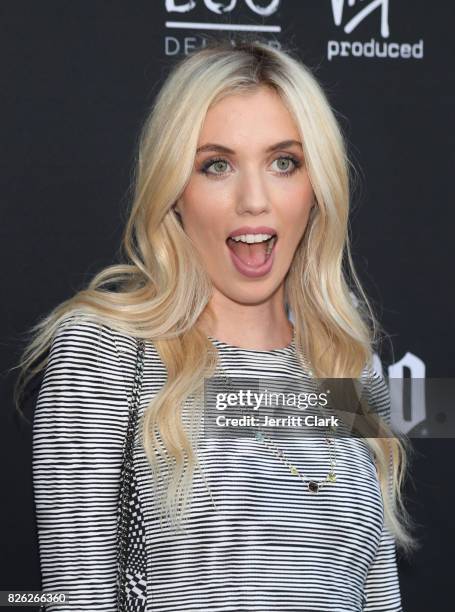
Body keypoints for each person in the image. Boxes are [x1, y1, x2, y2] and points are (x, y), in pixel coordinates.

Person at [16, 38, 417, 611]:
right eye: (217, 165)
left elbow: (377, 594)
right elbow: (76, 596)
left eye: (285, 162)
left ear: (317, 187)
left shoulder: (349, 369)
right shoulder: (108, 350)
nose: (254, 199)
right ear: (175, 190)